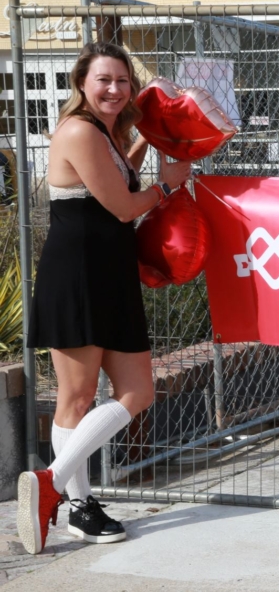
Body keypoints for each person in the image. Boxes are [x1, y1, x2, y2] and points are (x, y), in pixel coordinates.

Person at [16, 43, 191, 555]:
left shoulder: (108, 133)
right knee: (76, 397)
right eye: (103, 80)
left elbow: (118, 178)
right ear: (81, 84)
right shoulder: (78, 131)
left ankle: (50, 483)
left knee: (138, 391)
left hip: (111, 276)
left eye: (122, 80)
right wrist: (166, 187)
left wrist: (148, 140)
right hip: (78, 275)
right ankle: (76, 503)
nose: (114, 89)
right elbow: (122, 207)